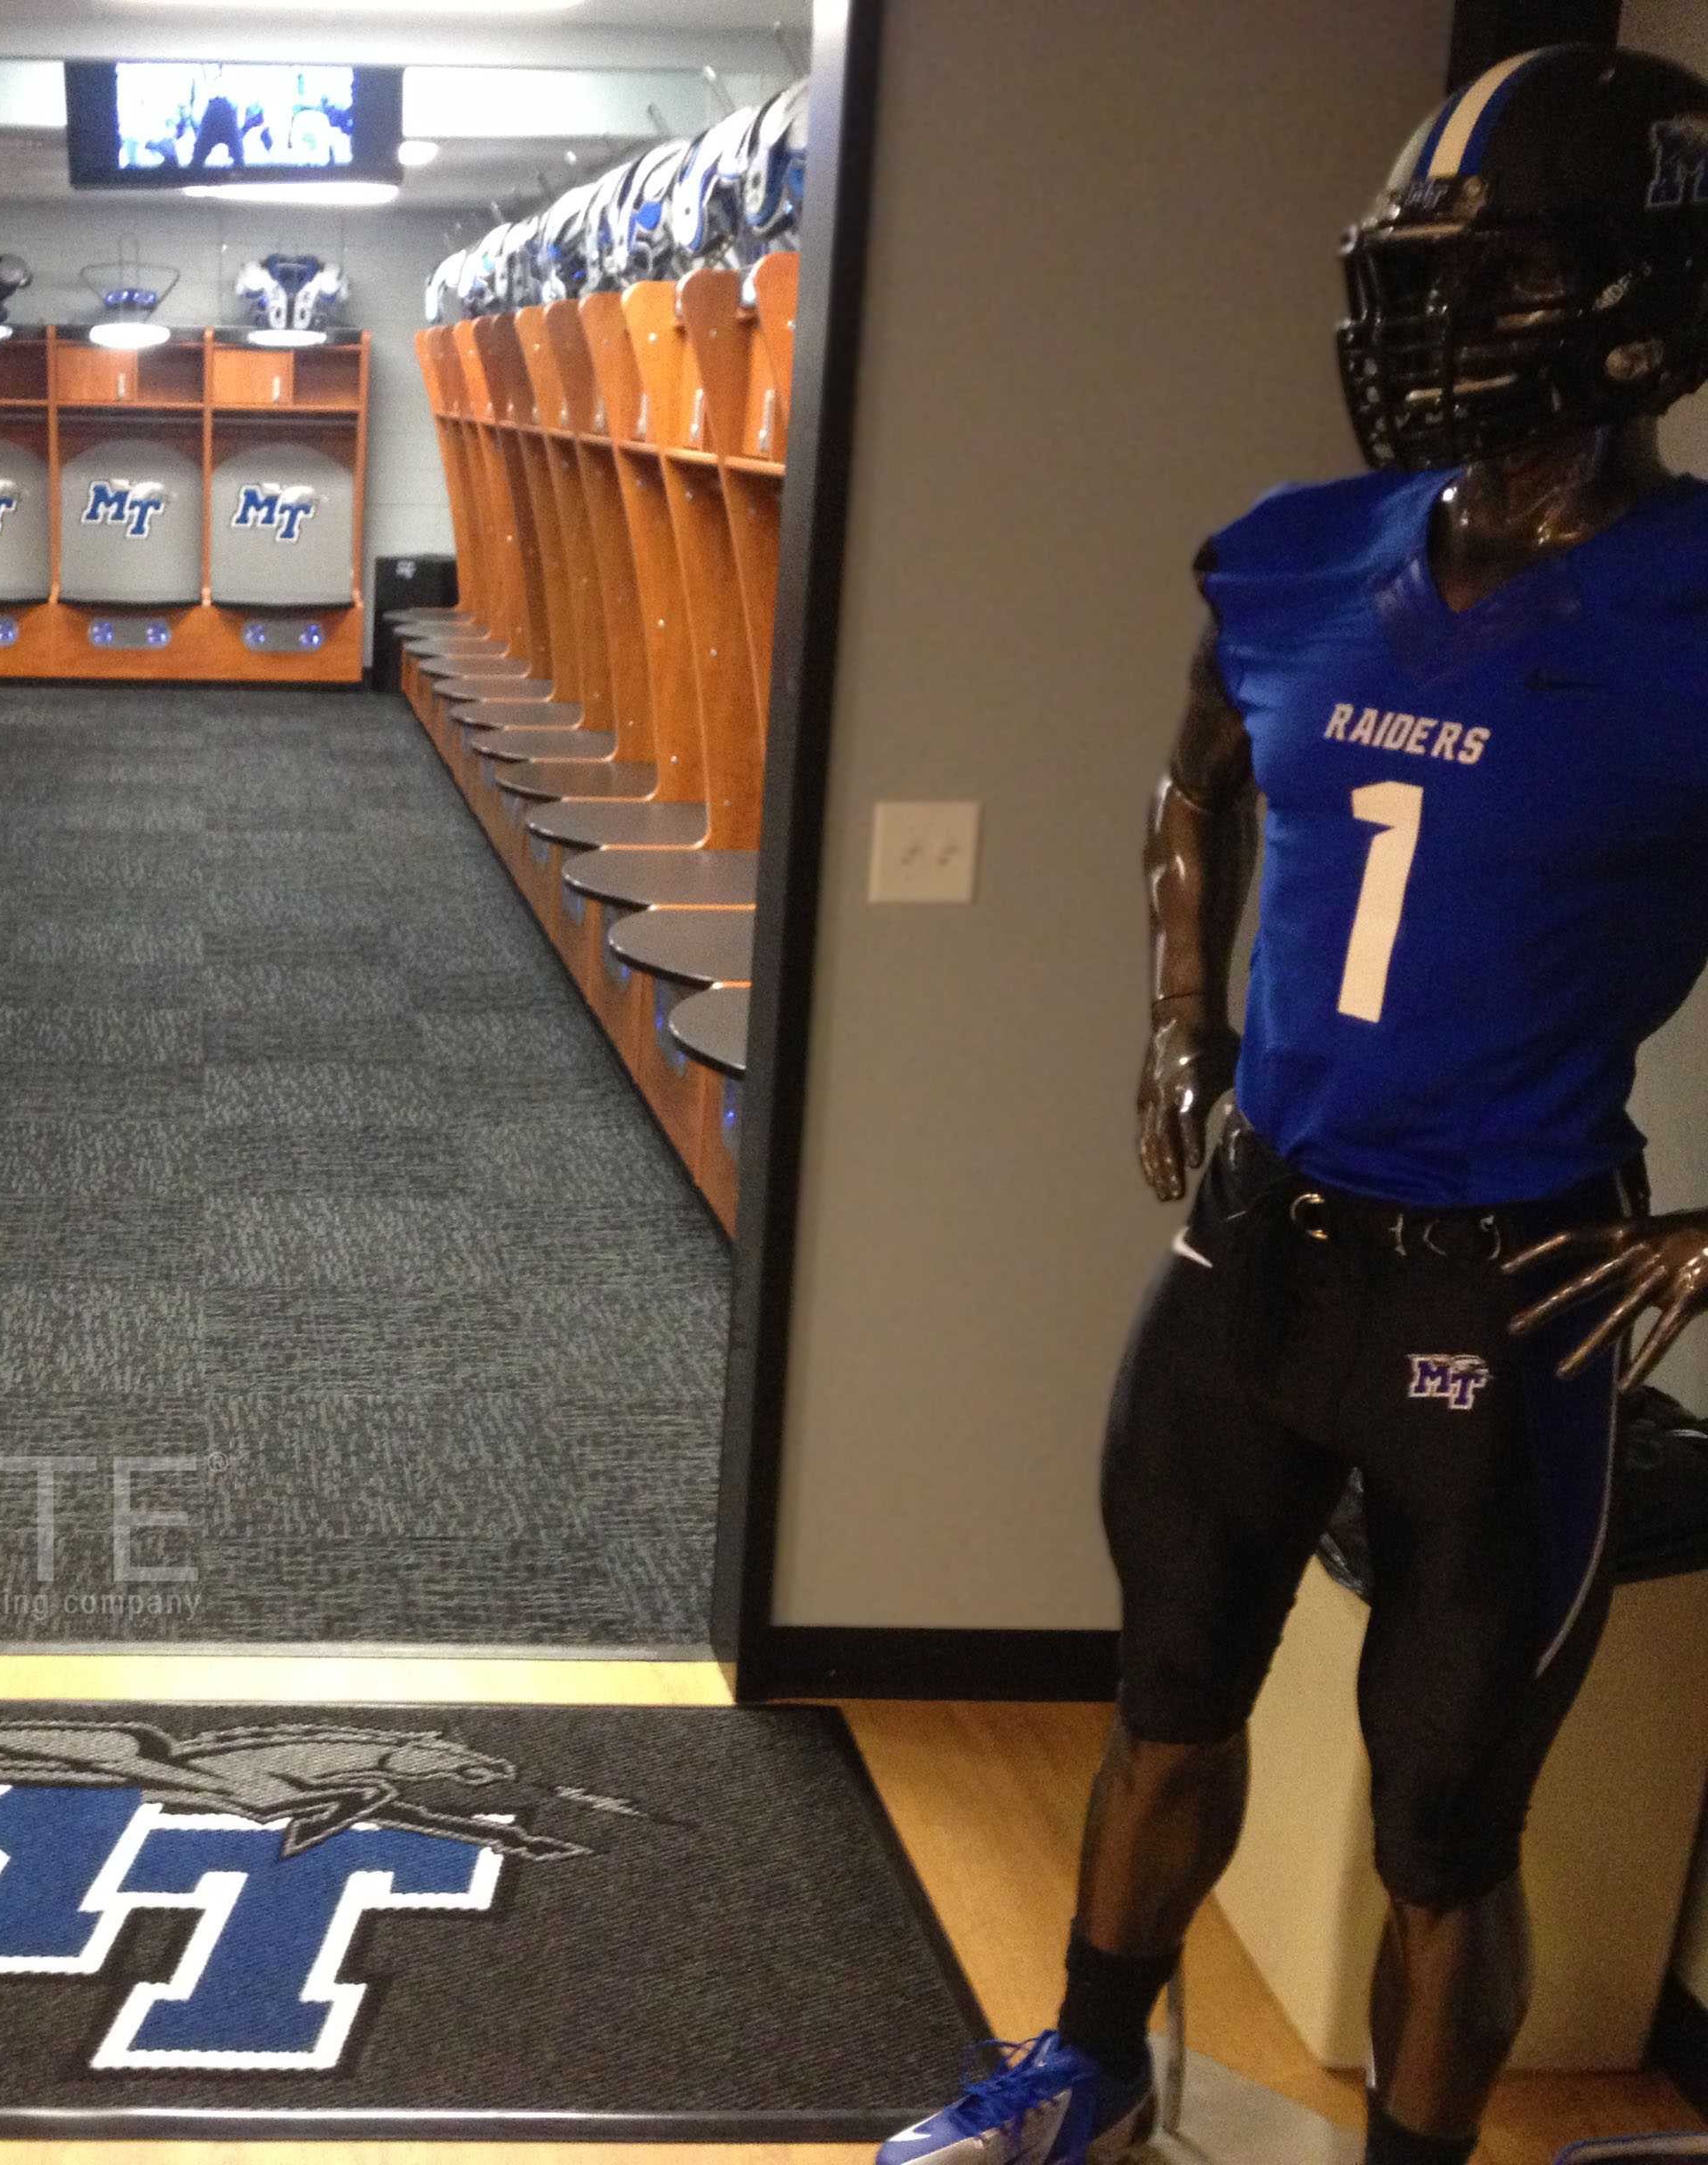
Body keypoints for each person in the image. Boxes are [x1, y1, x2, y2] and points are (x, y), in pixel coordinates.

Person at [880, 45, 1708, 2165]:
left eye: (1490, 271)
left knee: (1445, 1832)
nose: (1432, 324)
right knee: (1162, 1708)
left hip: (1501, 1288)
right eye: (1415, 274)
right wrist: (1180, 1014)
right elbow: (1196, 774)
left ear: (1632, 292)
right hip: (1255, 1246)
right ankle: (1087, 2076)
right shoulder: (1295, 552)